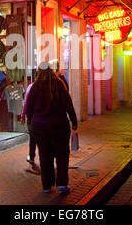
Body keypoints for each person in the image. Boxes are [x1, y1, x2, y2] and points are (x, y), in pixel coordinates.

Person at [25, 62, 77, 193]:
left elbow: (29, 108)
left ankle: (46, 186)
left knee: (44, 155)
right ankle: (61, 184)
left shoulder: (35, 87)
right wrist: (74, 121)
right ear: (51, 72)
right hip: (59, 125)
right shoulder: (58, 85)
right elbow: (68, 104)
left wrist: (30, 123)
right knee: (62, 155)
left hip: (40, 127)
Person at [21, 76, 37, 165]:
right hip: (44, 118)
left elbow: (26, 103)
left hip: (32, 118)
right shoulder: (49, 87)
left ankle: (31, 157)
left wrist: (23, 116)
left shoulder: (31, 87)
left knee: (33, 138)